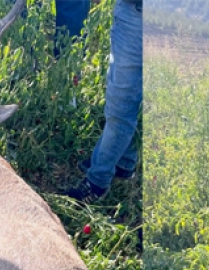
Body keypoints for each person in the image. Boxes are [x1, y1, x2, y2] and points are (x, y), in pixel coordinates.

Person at [65, 0, 142, 202]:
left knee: (121, 105)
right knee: (131, 92)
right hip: (135, 11)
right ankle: (123, 162)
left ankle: (97, 182)